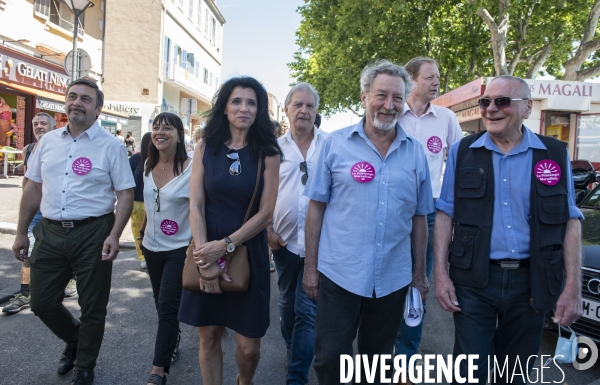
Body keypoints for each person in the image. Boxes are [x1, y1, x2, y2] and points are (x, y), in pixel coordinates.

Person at [434, 75, 583, 384]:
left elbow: (570, 220)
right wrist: (440, 273)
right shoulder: (463, 151)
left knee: (515, 374)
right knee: (468, 372)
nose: (491, 109)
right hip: (473, 280)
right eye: (485, 102)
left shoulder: (554, 154)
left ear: (527, 108)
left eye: (502, 101)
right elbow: (445, 214)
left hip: (532, 281)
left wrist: (572, 286)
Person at [303, 60, 433, 385]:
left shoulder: (416, 153)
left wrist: (419, 276)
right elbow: (315, 209)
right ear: (363, 97)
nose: (389, 106)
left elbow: (420, 219)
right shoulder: (335, 144)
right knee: (330, 358)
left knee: (376, 365)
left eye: (398, 98)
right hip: (339, 273)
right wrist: (310, 268)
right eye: (381, 95)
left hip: (392, 278)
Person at [11, 78, 135, 385]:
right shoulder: (47, 142)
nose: (77, 102)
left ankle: (84, 364)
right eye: (72, 96)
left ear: (98, 108)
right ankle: (76, 338)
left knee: (93, 305)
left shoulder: (112, 146)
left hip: (93, 231)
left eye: (85, 99)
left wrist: (114, 235)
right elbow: (33, 188)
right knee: (41, 302)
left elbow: (126, 195)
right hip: (50, 232)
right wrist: (21, 232)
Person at [178, 76, 281, 385]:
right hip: (205, 247)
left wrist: (225, 246)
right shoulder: (205, 146)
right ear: (224, 107)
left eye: (251, 103)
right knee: (208, 335)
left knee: (248, 348)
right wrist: (204, 257)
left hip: (248, 250)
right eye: (236, 101)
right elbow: (195, 204)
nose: (244, 108)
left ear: (259, 110)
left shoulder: (269, 152)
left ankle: (243, 382)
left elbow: (266, 214)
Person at [394, 57, 463, 367]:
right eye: (430, 77)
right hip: (393, 211)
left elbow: (461, 164)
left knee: (418, 284)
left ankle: (405, 358)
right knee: (387, 281)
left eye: (438, 77)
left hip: (432, 213)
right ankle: (379, 350)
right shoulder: (393, 113)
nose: (436, 82)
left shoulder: (447, 118)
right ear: (411, 81)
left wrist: (450, 202)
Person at [268, 82, 328, 385]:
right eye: (298, 105)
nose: (304, 110)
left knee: (308, 309)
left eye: (310, 106)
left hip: (321, 245)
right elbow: (258, 195)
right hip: (284, 243)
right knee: (287, 301)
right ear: (287, 110)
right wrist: (267, 229)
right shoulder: (273, 149)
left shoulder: (331, 145)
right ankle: (292, 344)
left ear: (316, 112)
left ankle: (296, 377)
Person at [139, 112, 192, 385]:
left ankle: (158, 371)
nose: (160, 132)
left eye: (167, 128)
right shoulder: (148, 163)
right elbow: (150, 205)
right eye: (156, 127)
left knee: (167, 307)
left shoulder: (193, 169)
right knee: (160, 303)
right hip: (151, 247)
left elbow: (199, 210)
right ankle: (173, 338)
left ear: (179, 135)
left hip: (179, 249)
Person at [2, 113, 56, 314]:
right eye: (35, 124)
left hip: (56, 208)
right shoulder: (29, 149)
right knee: (28, 248)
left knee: (64, 249)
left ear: (52, 127)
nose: (39, 127)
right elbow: (28, 181)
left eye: (43, 123)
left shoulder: (61, 148)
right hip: (36, 209)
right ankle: (25, 293)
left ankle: (69, 280)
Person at [130, 132, 152, 269]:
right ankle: (142, 256)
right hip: (138, 202)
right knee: (138, 230)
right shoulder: (135, 159)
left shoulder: (160, 159)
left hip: (154, 202)